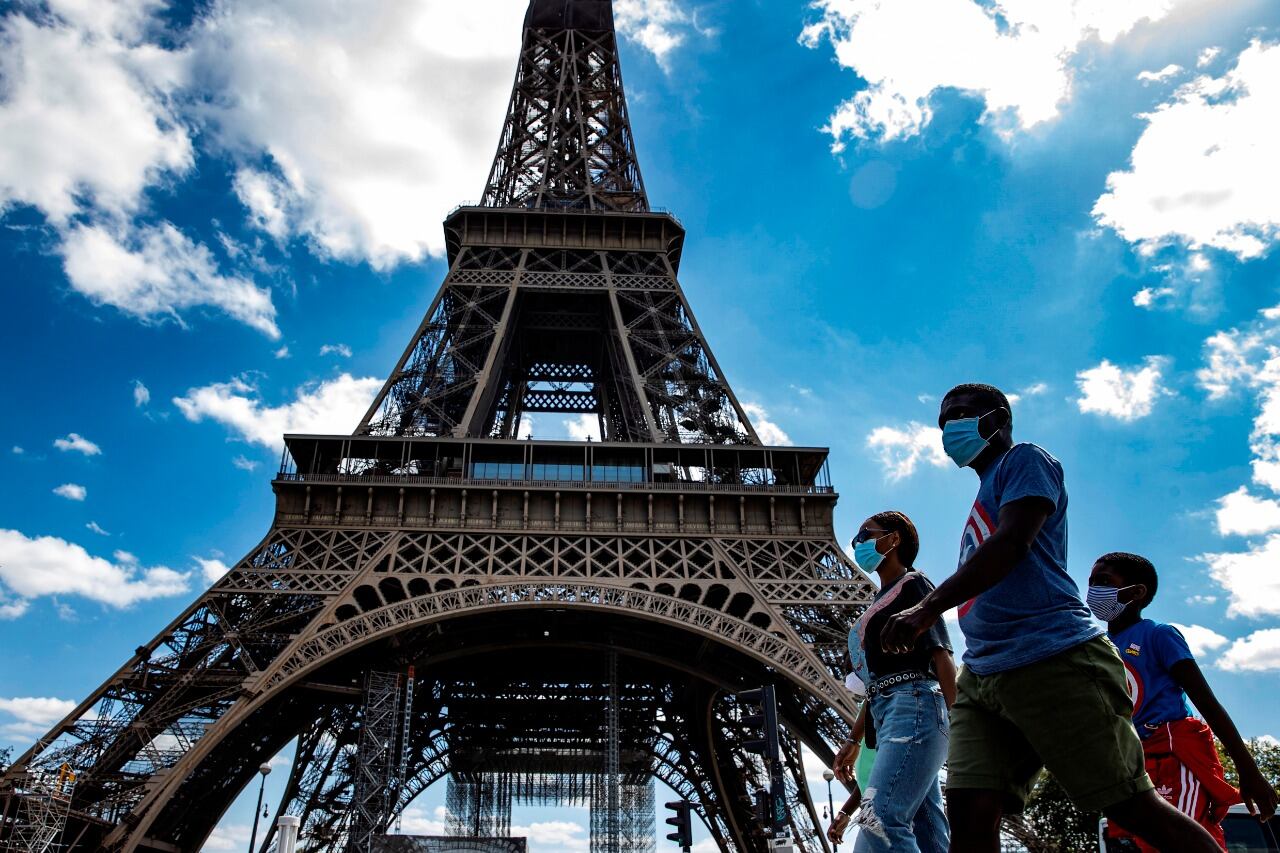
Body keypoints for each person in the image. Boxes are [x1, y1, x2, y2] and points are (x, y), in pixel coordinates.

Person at [881, 382, 1222, 853]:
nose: (949, 426)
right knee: (970, 821)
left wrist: (926, 608)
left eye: (961, 413)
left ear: (998, 418)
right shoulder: (985, 490)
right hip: (982, 675)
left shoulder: (1025, 460)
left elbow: (1013, 543)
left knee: (1130, 806)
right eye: (942, 420)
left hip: (1052, 658)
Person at [1088, 551, 1278, 850]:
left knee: (1182, 842)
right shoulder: (1097, 648)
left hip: (1173, 757)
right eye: (1091, 582)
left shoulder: (1158, 635)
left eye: (1104, 581)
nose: (1094, 591)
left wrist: (1248, 771)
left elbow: (1207, 702)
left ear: (1137, 592)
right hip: (1132, 765)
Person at [830, 510, 955, 852]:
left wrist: (960, 719)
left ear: (894, 539)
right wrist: (854, 741)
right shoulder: (877, 601)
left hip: (914, 703)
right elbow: (875, 684)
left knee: (879, 819)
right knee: (928, 833)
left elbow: (941, 653)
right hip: (889, 711)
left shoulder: (914, 584)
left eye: (865, 535)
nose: (858, 543)